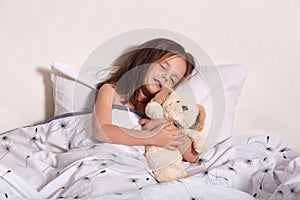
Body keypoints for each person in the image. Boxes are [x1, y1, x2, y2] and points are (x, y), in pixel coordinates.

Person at [93, 38, 199, 162]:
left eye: (173, 79)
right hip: (105, 159)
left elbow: (193, 157)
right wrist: (152, 137)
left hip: (137, 167)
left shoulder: (162, 110)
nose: (166, 77)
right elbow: (101, 131)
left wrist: (171, 132)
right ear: (144, 61)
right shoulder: (111, 91)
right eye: (163, 67)